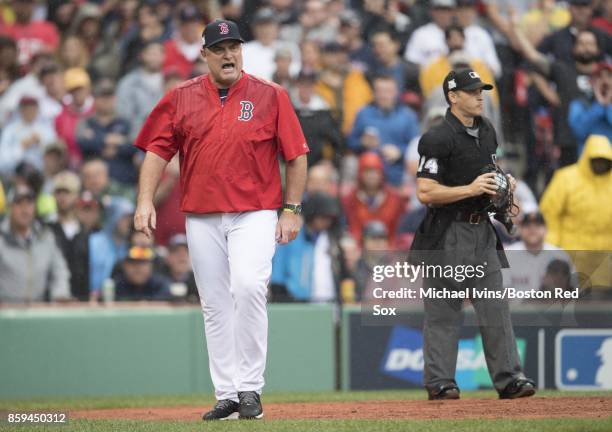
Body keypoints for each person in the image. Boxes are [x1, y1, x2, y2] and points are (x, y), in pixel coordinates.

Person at [133, 20, 308, 421]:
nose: (229, 54)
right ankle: (227, 394)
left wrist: (292, 208)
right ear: (205, 55)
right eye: (220, 48)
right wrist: (145, 200)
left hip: (256, 210)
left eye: (235, 46)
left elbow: (296, 155)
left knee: (247, 287)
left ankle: (250, 388)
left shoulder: (270, 95)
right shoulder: (181, 96)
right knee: (214, 304)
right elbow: (157, 151)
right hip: (202, 214)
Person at [411, 68, 536, 400]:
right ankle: (441, 383)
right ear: (453, 97)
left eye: (481, 90)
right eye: (472, 91)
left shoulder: (487, 131)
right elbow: (425, 192)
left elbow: (487, 175)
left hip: (482, 230)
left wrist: (503, 187)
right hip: (446, 231)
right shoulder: (437, 137)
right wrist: (469, 189)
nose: (480, 95)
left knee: (495, 307)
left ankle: (510, 378)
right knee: (443, 311)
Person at [0, 184, 70, 303]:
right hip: (5, 312)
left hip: (37, 311)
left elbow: (59, 271)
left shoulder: (46, 237)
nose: (25, 209)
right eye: (19, 203)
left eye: (29, 203)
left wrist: (60, 294)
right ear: (10, 207)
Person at [48, 170, 91, 301]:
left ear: (77, 196)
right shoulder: (45, 229)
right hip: (52, 298)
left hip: (81, 298)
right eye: (58, 192)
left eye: (67, 192)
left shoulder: (85, 230)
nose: (62, 197)